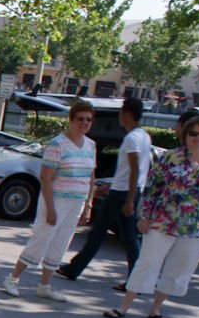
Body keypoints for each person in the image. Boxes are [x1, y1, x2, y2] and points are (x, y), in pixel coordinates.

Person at [103, 114, 199, 318]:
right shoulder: (170, 157)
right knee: (146, 263)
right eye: (193, 133)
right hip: (163, 222)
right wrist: (144, 217)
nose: (197, 137)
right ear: (185, 135)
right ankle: (123, 306)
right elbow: (152, 189)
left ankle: (156, 309)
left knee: (179, 270)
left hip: (198, 229)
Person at [2, 100, 97, 301]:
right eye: (80, 119)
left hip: (77, 202)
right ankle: (13, 278)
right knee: (42, 238)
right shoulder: (58, 144)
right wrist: (51, 208)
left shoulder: (91, 145)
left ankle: (45, 284)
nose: (84, 123)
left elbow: (91, 176)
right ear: (71, 120)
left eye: (88, 120)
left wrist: (88, 204)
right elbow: (46, 177)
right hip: (56, 201)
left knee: (62, 241)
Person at [57, 97, 152, 288]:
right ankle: (137, 279)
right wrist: (110, 186)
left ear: (126, 114)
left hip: (122, 194)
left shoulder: (132, 138)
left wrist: (129, 199)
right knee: (129, 237)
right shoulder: (144, 136)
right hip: (125, 190)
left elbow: (135, 169)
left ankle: (74, 268)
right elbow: (130, 171)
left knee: (99, 232)